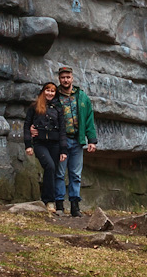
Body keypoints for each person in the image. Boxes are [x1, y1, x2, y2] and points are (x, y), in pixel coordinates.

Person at [53, 64, 97, 217]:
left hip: (77, 141)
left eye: (68, 77)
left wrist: (91, 140)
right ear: (59, 79)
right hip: (61, 142)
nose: (65, 80)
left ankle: (75, 206)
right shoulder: (54, 96)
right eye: (63, 77)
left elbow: (89, 118)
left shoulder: (82, 96)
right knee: (59, 173)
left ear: (72, 78)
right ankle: (59, 205)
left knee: (75, 174)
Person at [23, 80, 66, 215]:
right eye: (48, 90)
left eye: (52, 91)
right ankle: (49, 201)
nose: (50, 93)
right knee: (50, 166)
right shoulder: (35, 106)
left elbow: (62, 130)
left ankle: (47, 200)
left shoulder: (59, 108)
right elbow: (26, 125)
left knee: (52, 171)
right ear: (43, 91)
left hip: (55, 143)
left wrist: (63, 149)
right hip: (40, 143)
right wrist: (28, 145)